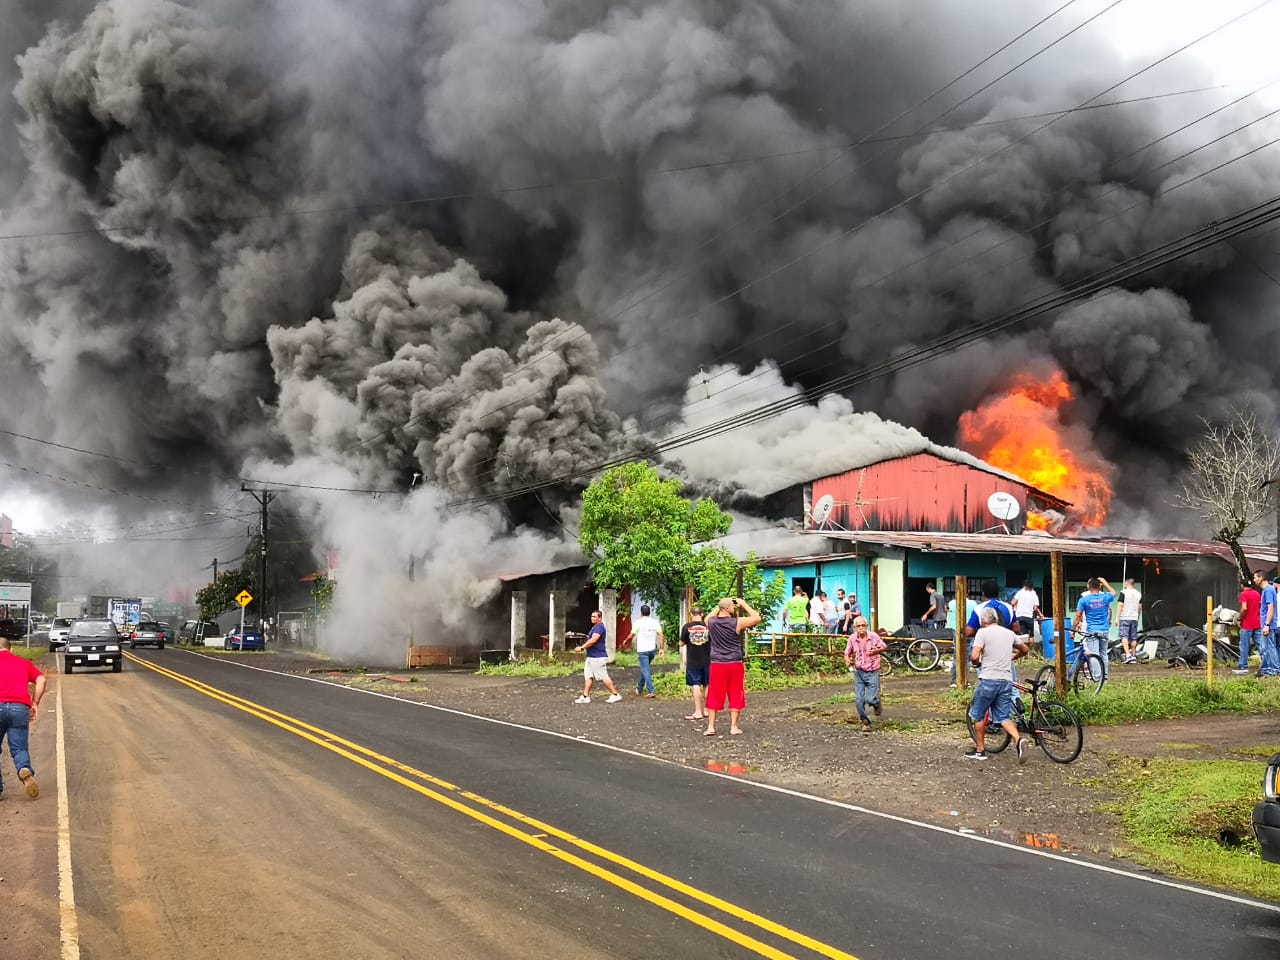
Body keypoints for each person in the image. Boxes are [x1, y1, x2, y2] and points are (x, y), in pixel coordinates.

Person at [965, 606, 1031, 763]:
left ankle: (980, 751)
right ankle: (1018, 739)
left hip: (989, 679)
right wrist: (1014, 657)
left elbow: (974, 656)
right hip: (1006, 681)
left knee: (978, 715)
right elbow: (1025, 649)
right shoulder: (1009, 633)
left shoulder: (982, 633)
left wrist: (977, 662)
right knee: (1003, 717)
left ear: (983, 620)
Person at [704, 597, 762, 737]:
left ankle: (711, 727)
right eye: (732, 606)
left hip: (717, 663)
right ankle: (734, 727)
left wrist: (720, 605)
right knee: (736, 692)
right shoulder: (736, 622)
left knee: (714, 693)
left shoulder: (712, 622)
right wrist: (743, 604)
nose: (734, 608)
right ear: (728, 608)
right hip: (734, 662)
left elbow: (707, 617)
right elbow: (757, 618)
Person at [0, 635, 47, 799]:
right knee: (19, 748)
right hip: (19, 708)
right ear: (11, 649)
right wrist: (35, 702)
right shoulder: (23, 663)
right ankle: (23, 769)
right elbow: (41, 680)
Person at [952, 580, 1017, 685]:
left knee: (987, 682)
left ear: (983, 593)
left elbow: (969, 632)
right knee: (1011, 682)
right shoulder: (1009, 608)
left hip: (986, 652)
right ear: (998, 593)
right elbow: (1017, 628)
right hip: (1005, 650)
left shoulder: (979, 609)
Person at [844, 616, 887, 732]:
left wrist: (877, 650)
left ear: (867, 626)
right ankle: (866, 722)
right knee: (859, 700)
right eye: (858, 626)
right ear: (854, 628)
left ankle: (876, 704)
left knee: (871, 699)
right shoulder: (852, 639)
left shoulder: (873, 636)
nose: (861, 628)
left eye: (863, 625)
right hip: (859, 672)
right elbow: (846, 653)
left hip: (873, 671)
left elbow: (884, 646)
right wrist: (847, 660)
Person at [1073, 576, 1117, 680]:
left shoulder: (1084, 600)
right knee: (1103, 654)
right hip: (1104, 630)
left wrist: (1073, 629)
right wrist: (1105, 582)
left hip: (1092, 630)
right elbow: (1114, 593)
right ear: (1100, 587)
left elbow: (1078, 615)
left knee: (1094, 654)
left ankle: (1097, 678)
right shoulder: (1105, 597)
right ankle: (1104, 677)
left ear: (1088, 587)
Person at [573, 611, 622, 703]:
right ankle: (585, 696)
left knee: (603, 676)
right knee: (588, 676)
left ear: (600, 618)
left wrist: (582, 647)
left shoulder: (599, 627)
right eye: (592, 616)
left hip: (597, 657)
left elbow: (594, 639)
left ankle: (615, 694)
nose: (592, 618)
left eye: (595, 617)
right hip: (591, 656)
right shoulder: (595, 627)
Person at [679, 606, 710, 720]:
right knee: (707, 684)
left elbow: (681, 643)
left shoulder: (687, 627)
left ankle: (698, 711)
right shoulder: (708, 626)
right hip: (707, 659)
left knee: (696, 684)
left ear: (691, 614)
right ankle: (707, 710)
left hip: (693, 660)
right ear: (702, 614)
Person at [626, 604, 664, 697]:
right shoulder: (654, 622)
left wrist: (626, 641)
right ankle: (639, 688)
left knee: (645, 670)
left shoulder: (638, 622)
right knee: (645, 669)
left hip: (642, 650)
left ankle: (651, 690)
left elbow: (631, 635)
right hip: (652, 650)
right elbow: (661, 635)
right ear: (649, 612)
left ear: (641, 613)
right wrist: (661, 648)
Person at [1235, 578, 1262, 675]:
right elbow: (1260, 606)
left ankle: (1243, 666)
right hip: (1257, 623)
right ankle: (1266, 664)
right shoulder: (1257, 593)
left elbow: (1244, 608)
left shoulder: (1244, 594)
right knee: (1261, 645)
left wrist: (1239, 618)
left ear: (1242, 585)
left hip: (1247, 624)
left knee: (1244, 646)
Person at [1257, 572, 1280, 678]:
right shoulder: (1270, 591)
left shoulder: (1269, 590)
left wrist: (1267, 624)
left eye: (1255, 577)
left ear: (1261, 578)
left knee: (1269, 648)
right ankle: (1267, 669)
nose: (1254, 580)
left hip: (1270, 625)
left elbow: (1271, 608)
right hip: (1271, 624)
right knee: (1268, 648)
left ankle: (1274, 669)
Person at [1117, 578, 1143, 664]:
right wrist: (1138, 617)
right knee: (1133, 637)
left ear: (1126, 583)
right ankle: (1134, 655)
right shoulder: (1138, 594)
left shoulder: (1123, 592)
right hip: (1134, 618)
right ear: (1133, 584)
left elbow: (1120, 605)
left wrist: (1117, 618)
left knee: (1124, 636)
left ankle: (1128, 655)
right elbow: (1140, 607)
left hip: (1125, 617)